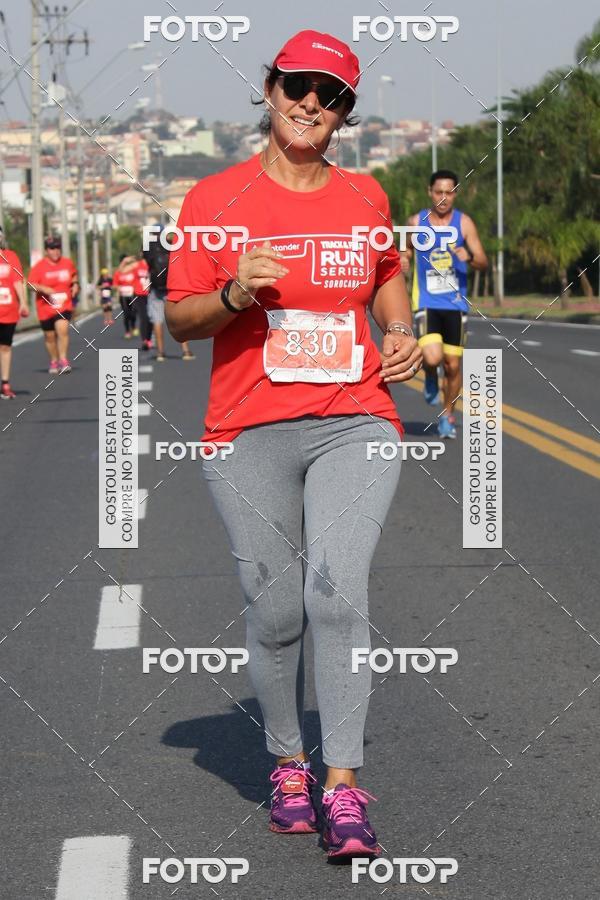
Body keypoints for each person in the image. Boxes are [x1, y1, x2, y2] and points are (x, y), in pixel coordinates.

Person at [166, 30, 422, 858]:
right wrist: (238, 288)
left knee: (337, 592)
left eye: (333, 93)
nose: (313, 102)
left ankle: (343, 785)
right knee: (277, 609)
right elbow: (180, 317)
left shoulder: (365, 196)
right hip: (246, 427)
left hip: (356, 417)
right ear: (270, 89)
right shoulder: (214, 200)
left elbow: (384, 268)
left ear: (346, 112)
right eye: (300, 85)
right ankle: (287, 762)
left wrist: (399, 329)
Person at [403, 170, 488, 438]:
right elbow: (404, 252)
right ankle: (429, 373)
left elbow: (483, 261)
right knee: (433, 357)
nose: (443, 197)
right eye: (438, 192)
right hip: (426, 302)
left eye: (449, 192)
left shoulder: (464, 224)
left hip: (455, 304)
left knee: (452, 365)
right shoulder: (417, 222)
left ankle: (447, 415)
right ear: (430, 192)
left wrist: (469, 256)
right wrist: (403, 259)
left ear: (455, 193)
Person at [143, 226, 195, 362]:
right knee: (179, 319)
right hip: (172, 286)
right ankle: (186, 351)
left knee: (157, 320)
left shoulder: (149, 247)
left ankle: (160, 352)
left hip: (156, 288)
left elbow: (146, 261)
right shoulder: (172, 245)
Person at [29, 235, 78, 375]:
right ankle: (54, 360)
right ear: (46, 251)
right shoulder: (39, 267)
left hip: (63, 304)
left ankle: (63, 359)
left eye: (57, 248)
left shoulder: (67, 263)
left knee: (62, 330)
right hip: (45, 307)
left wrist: (75, 284)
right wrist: (43, 289)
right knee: (50, 337)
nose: (55, 251)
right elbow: (30, 284)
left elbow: (74, 275)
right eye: (52, 248)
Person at [0, 228, 28, 398]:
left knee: (5, 346)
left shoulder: (11, 257)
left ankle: (5, 383)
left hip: (9, 310)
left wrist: (23, 302)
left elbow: (18, 281)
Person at [112, 254, 137, 339]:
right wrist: (119, 288)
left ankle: (133, 326)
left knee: (133, 312)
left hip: (133, 294)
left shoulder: (133, 270)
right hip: (123, 296)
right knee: (126, 314)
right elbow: (114, 285)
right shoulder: (118, 273)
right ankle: (127, 331)